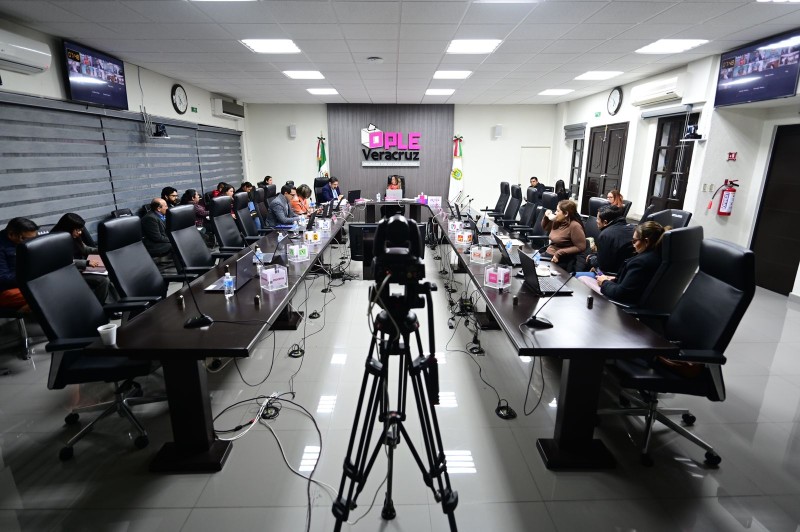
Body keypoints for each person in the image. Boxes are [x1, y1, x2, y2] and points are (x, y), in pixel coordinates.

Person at [596, 221, 669, 305]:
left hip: (621, 305)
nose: (633, 244)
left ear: (646, 241)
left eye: (634, 241)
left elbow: (620, 294)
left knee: (584, 279)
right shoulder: (660, 256)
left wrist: (604, 282)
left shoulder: (640, 263)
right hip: (646, 303)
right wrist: (616, 279)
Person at [50, 213, 117, 304]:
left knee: (110, 269)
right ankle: (97, 306)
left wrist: (102, 250)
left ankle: (113, 302)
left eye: (80, 230)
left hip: (81, 268)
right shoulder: (56, 241)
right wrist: (86, 263)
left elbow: (85, 249)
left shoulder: (74, 237)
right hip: (69, 272)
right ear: (68, 228)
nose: (80, 233)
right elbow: (66, 262)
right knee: (103, 280)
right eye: (77, 230)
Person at [578, 205, 635, 277]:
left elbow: (603, 265)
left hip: (610, 276)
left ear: (605, 222)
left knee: (573, 276)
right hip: (628, 273)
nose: (596, 221)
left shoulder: (606, 235)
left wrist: (591, 259)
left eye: (598, 219)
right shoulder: (633, 228)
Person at [0, 217, 38, 310]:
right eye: (27, 239)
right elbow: (3, 277)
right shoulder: (2, 247)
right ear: (11, 234)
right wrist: (29, 275)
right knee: (44, 293)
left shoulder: (23, 242)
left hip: (29, 283)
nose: (31, 242)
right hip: (7, 290)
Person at [541, 199, 586, 270]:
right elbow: (545, 228)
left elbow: (581, 247)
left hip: (560, 259)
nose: (555, 213)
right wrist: (546, 217)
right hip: (548, 254)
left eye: (558, 211)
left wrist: (559, 253)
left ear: (566, 214)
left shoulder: (574, 226)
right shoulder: (558, 221)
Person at [141, 198, 175, 271]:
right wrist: (173, 239)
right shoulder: (150, 218)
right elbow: (157, 237)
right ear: (159, 208)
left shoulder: (164, 215)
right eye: (165, 206)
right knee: (176, 245)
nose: (167, 208)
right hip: (155, 244)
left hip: (164, 239)